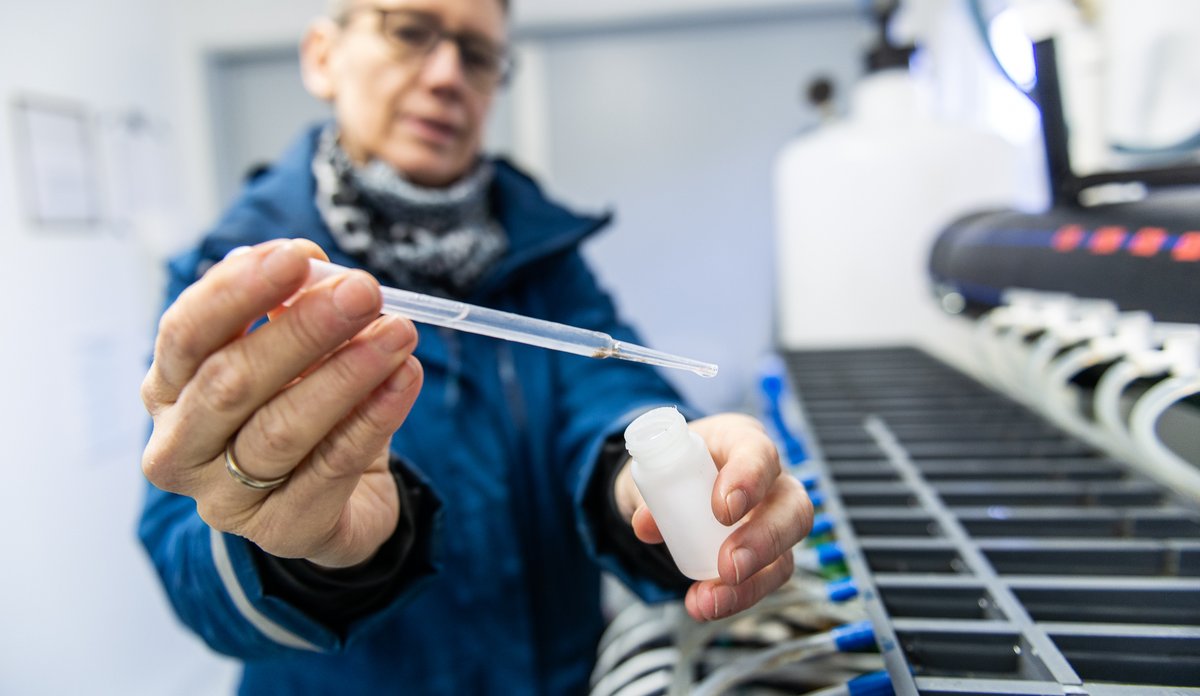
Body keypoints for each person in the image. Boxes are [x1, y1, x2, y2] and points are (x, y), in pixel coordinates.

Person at [137, 0, 812, 692]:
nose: (446, 75)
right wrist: (302, 544)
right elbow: (187, 566)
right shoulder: (240, 284)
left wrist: (665, 482)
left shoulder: (546, 263)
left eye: (478, 53)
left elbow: (610, 398)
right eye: (408, 31)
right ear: (322, 56)